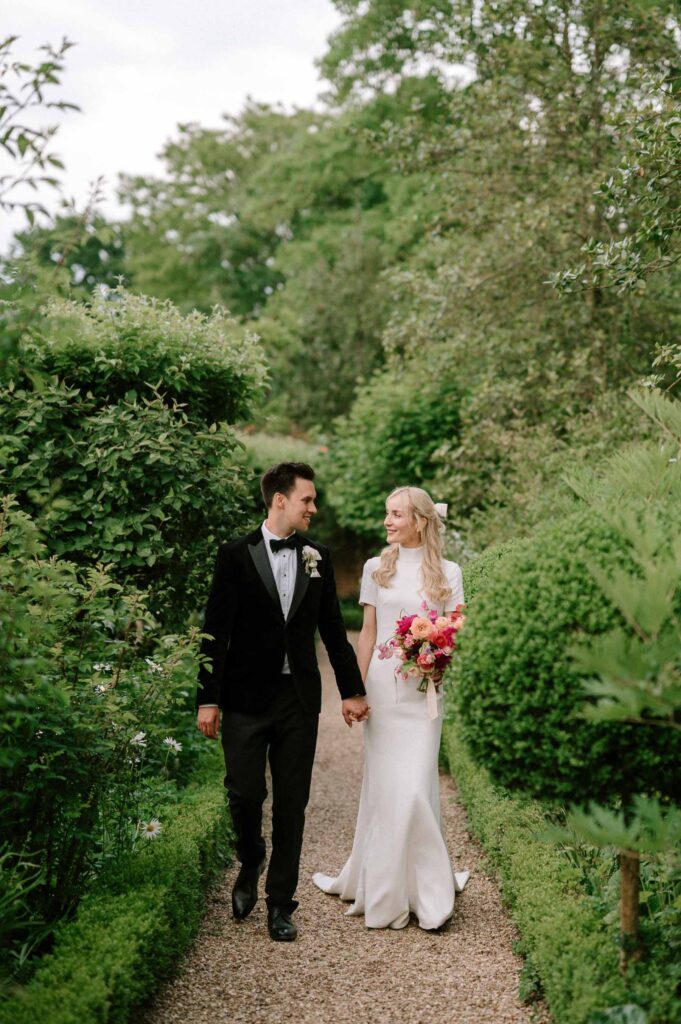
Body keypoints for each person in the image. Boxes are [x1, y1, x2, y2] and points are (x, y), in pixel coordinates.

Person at [196, 462, 369, 942]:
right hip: (244, 698)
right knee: (244, 793)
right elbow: (215, 632)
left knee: (292, 803)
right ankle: (251, 857)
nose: (314, 508)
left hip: (298, 699)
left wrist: (353, 690)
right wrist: (208, 699)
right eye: (307, 500)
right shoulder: (235, 555)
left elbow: (332, 629)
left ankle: (280, 903)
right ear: (280, 500)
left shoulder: (318, 556)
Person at [313, 486, 469, 930]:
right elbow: (367, 633)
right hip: (383, 689)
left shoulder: (450, 572)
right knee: (386, 788)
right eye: (387, 513)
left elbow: (457, 629)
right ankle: (385, 887)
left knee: (417, 787)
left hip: (424, 692)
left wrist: (439, 655)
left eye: (396, 514)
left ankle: (427, 891)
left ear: (420, 520)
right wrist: (354, 689)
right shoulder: (375, 568)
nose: (387, 521)